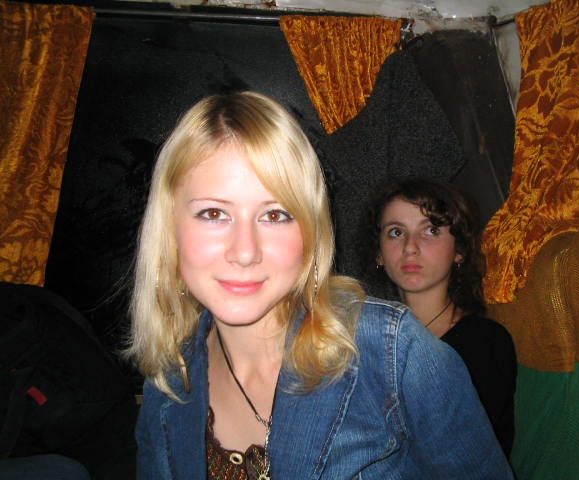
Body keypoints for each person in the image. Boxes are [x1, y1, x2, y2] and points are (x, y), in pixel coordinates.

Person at [128, 91, 513, 479]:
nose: (244, 252)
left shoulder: (393, 354)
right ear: (169, 228)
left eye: (275, 214)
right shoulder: (167, 383)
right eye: (213, 213)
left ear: (311, 232)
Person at [367, 177, 517, 455]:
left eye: (431, 230)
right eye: (396, 232)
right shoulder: (365, 344)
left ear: (459, 251)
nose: (410, 247)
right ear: (379, 253)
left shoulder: (485, 343)